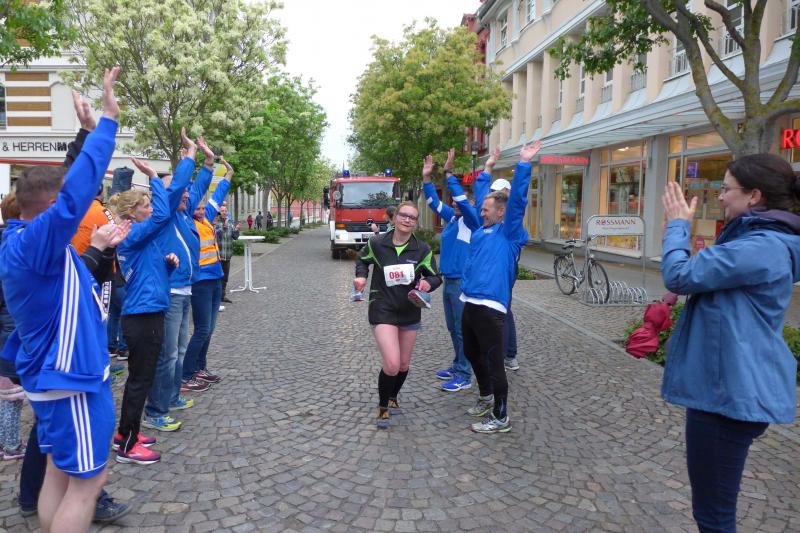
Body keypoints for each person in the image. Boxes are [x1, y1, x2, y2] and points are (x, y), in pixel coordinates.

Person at [0, 68, 121, 532]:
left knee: (58, 472)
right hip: (71, 380)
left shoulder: (22, 238)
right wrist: (108, 121)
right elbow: (72, 194)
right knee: (88, 483)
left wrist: (86, 133)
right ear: (52, 211)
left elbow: (62, 186)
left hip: (53, 377)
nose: (82, 208)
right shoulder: (37, 243)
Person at [660, 153, 800, 533]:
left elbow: (678, 275)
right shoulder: (758, 240)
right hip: (729, 388)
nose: (720, 196)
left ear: (754, 196)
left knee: (714, 515)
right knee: (713, 510)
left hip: (727, 396)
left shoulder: (760, 246)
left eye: (726, 189)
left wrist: (678, 226)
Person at [448, 141, 541, 434]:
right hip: (470, 301)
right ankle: (486, 396)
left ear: (501, 213)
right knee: (472, 353)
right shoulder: (482, 229)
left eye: (487, 210)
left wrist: (524, 164)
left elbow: (518, 202)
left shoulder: (509, 232)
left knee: (493, 360)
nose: (482, 212)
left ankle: (501, 416)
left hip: (491, 307)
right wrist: (487, 167)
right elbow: (479, 197)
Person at [110, 144, 193, 464]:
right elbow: (163, 213)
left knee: (140, 378)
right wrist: (155, 179)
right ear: (133, 213)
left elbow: (148, 271)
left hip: (148, 309)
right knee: (140, 379)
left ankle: (125, 432)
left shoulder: (141, 237)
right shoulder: (133, 234)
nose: (151, 209)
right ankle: (127, 445)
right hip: (143, 314)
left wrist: (168, 266)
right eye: (145, 205)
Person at [136, 130, 203, 434]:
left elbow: (194, 189)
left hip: (184, 291)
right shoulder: (166, 218)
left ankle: (172, 397)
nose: (185, 194)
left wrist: (207, 164)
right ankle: (155, 410)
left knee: (179, 350)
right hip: (172, 293)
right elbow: (177, 188)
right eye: (179, 192)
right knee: (168, 354)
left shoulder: (183, 215)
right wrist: (189, 155)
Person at [354, 201, 442, 429]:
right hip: (382, 307)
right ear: (394, 218)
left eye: (412, 217)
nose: (407, 220)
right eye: (403, 215)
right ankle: (383, 406)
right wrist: (361, 277)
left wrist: (428, 284)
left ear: (416, 223)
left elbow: (436, 277)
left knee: (403, 364)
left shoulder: (422, 249)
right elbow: (362, 259)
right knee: (392, 363)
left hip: (409, 309)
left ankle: (393, 396)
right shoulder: (377, 243)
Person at [422, 148, 488, 393]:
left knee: (462, 330)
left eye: (460, 201)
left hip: (462, 282)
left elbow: (460, 199)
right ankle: (459, 363)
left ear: (472, 204)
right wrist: (427, 178)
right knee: (453, 327)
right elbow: (433, 202)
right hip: (449, 281)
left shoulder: (473, 221)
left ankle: (464, 374)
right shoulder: (453, 218)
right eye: (453, 201)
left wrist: (449, 173)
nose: (453, 203)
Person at [181, 156, 234, 389]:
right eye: (198, 208)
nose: (202, 211)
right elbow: (191, 193)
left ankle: (200, 368)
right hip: (200, 282)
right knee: (202, 329)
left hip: (214, 279)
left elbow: (217, 196)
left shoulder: (206, 221)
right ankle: (186, 374)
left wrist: (228, 176)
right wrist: (188, 163)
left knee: (209, 329)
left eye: (204, 208)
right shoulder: (187, 222)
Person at [215, 201, 240, 303]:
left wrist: (237, 230)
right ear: (219, 212)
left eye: (225, 211)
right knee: (218, 277)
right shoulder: (216, 222)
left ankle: (222, 296)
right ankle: (217, 297)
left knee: (225, 277)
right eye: (222, 211)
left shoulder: (231, 222)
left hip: (228, 255)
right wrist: (224, 227)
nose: (224, 212)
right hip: (219, 255)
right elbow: (217, 234)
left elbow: (235, 237)